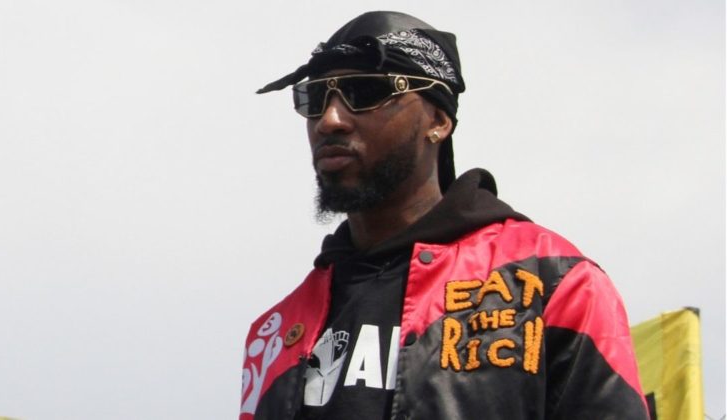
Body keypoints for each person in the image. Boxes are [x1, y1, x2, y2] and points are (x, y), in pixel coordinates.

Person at [240, 11, 649, 420]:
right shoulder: (274, 331)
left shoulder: (552, 280)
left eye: (364, 92)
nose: (330, 121)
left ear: (437, 120)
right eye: (315, 99)